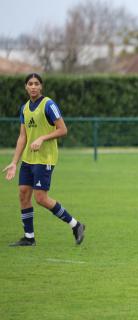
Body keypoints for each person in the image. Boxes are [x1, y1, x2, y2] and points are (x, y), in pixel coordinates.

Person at [3, 73, 85, 247]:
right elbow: (22, 137)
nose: (33, 86)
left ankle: (76, 225)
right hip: (28, 159)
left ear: (41, 87)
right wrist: (14, 162)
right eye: (30, 84)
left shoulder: (48, 104)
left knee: (40, 198)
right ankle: (29, 237)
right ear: (25, 87)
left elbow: (63, 129)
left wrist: (42, 138)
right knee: (23, 194)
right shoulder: (24, 108)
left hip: (45, 158)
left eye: (36, 83)